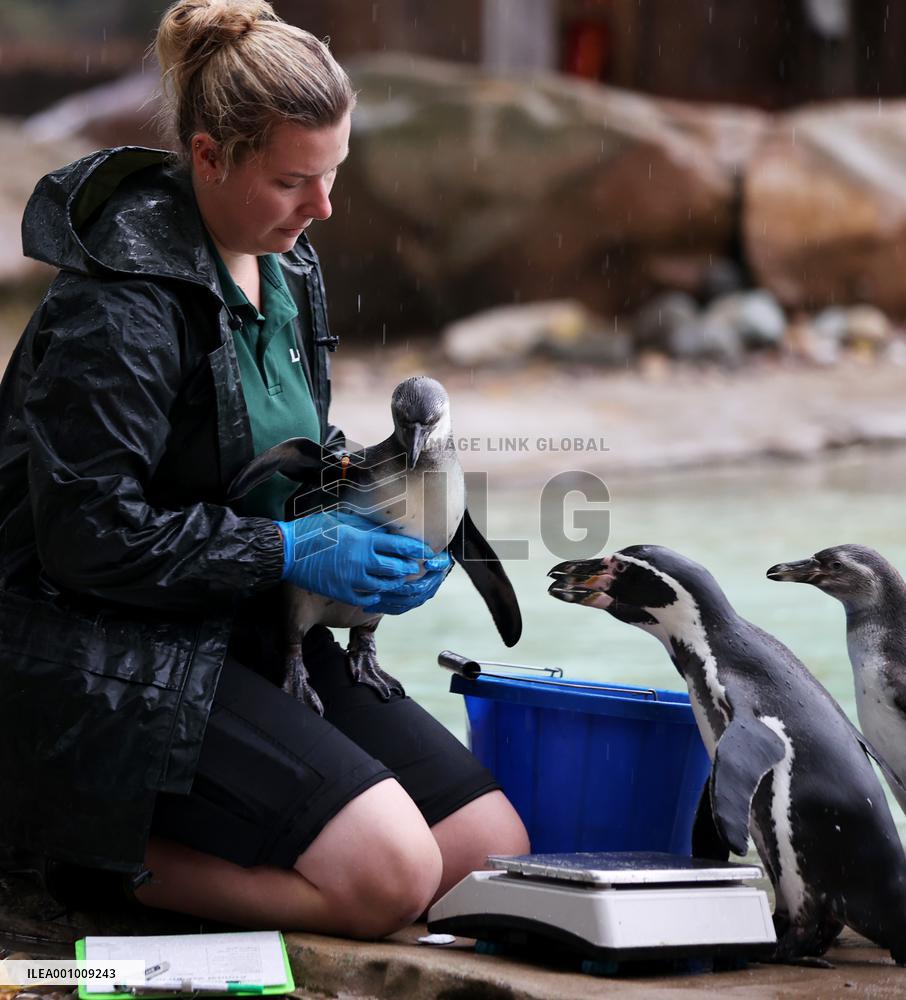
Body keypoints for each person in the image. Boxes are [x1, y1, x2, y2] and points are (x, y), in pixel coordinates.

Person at [0, 0, 528, 937]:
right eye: (294, 181)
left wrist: (381, 515)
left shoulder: (286, 264)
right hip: (97, 649)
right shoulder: (117, 307)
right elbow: (84, 537)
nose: (323, 208)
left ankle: (263, 828)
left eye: (332, 176)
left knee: (489, 856)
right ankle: (84, 862)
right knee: (392, 879)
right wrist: (287, 548)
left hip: (241, 622)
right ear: (209, 156)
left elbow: (273, 449)